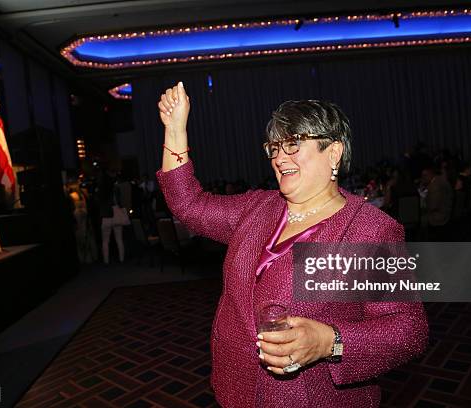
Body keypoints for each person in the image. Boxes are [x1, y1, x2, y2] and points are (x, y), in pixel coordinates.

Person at [156, 82, 428, 407]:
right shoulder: (258, 208)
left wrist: (330, 341)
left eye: (294, 144)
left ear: (334, 153)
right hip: (236, 390)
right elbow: (188, 205)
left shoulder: (368, 232)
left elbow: (408, 330)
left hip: (309, 399)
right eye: (274, 147)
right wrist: (174, 130)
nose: (279, 157)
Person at [95, 167, 126, 264]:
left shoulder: (100, 190)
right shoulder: (115, 188)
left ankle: (106, 261)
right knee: (119, 239)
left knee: (105, 241)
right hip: (116, 214)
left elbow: (97, 203)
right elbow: (120, 201)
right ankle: (121, 259)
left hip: (105, 216)